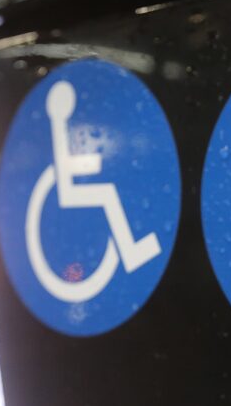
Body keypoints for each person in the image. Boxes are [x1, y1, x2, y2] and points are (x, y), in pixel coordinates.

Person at [47, 80, 160, 273]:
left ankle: (130, 251)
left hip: (69, 186)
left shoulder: (61, 125)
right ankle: (130, 252)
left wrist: (94, 162)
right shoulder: (59, 126)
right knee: (107, 194)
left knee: (107, 193)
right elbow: (67, 162)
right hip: (68, 190)